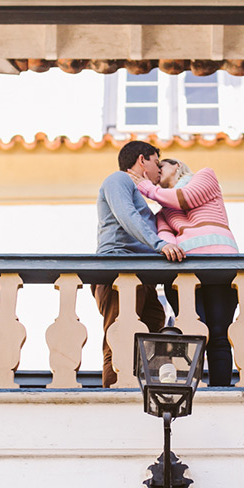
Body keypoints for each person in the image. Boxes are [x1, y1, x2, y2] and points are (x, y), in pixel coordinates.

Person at [129, 158, 240, 386]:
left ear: (177, 166)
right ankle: (191, 390)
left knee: (219, 334)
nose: (158, 171)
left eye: (163, 166)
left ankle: (221, 388)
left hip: (220, 264)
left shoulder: (205, 176)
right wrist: (169, 246)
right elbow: (166, 238)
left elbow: (185, 198)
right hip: (187, 273)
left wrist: (146, 187)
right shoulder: (163, 211)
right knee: (193, 335)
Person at [94, 141, 185, 387]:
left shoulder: (139, 196)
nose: (158, 169)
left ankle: (148, 388)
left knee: (154, 323)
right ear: (142, 160)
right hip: (118, 271)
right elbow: (127, 215)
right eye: (156, 162)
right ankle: (113, 395)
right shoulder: (118, 180)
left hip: (140, 276)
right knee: (119, 337)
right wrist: (160, 245)